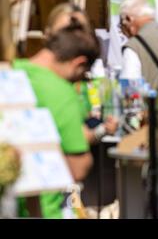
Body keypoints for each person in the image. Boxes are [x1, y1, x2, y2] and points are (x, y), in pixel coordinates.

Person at [13, 25, 100, 218]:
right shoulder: (61, 92)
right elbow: (77, 168)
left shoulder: (9, 73)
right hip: (43, 209)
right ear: (79, 63)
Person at [46, 4, 118, 144]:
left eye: (81, 30)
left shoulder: (77, 83)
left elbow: (78, 135)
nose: (73, 39)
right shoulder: (28, 78)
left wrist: (103, 130)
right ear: (48, 34)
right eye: (66, 32)